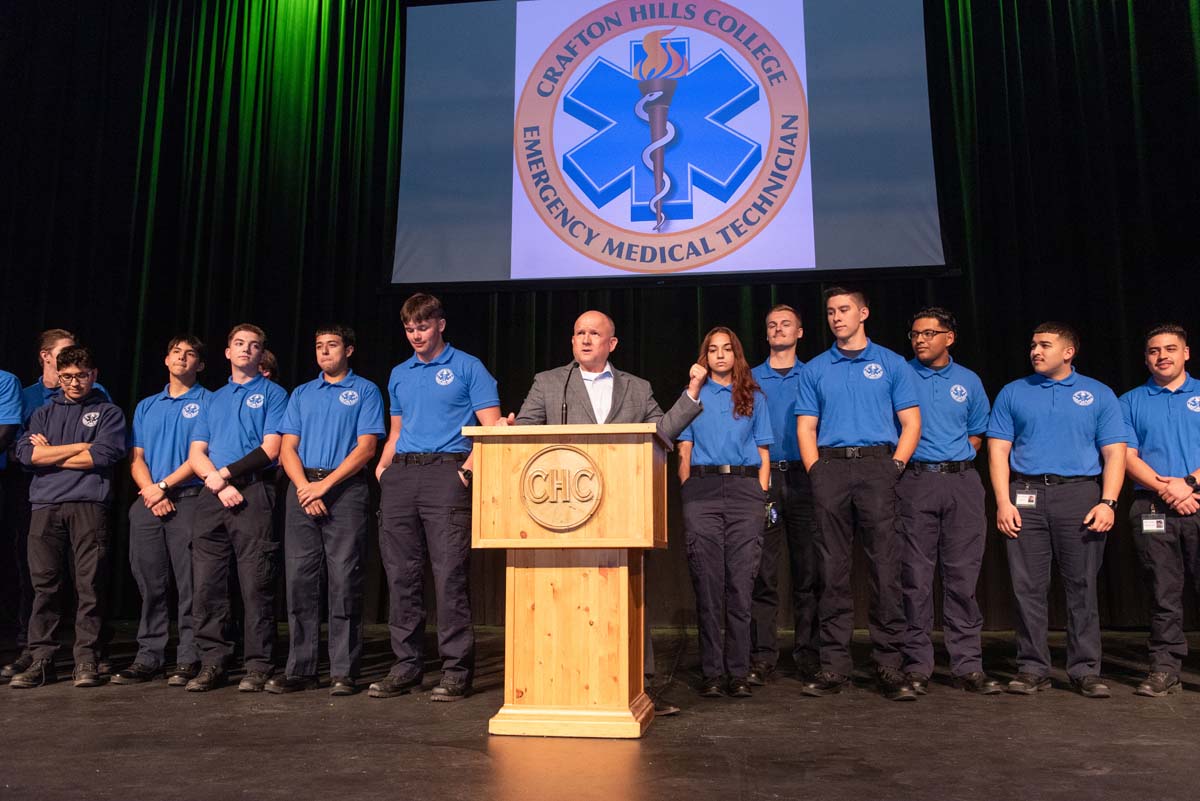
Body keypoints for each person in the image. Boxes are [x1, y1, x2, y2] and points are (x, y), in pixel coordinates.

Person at [504, 309, 706, 712]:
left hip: (621, 510)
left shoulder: (636, 387)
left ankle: (637, 689)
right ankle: (564, 685)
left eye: (594, 333)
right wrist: (511, 431)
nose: (584, 338)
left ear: (611, 344)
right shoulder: (549, 383)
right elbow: (524, 435)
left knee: (628, 595)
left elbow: (661, 434)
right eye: (578, 332)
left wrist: (692, 393)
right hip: (561, 513)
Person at [370, 294, 500, 701]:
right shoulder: (399, 373)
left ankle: (456, 670)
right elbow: (395, 430)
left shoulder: (467, 367)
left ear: (440, 325)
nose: (416, 336)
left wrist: (466, 471)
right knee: (401, 576)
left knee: (448, 577)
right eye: (409, 330)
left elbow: (492, 429)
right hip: (402, 476)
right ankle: (405, 667)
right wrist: (384, 467)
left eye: (423, 328)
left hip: (447, 472)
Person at [796, 287, 921, 701]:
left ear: (863, 312)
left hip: (877, 467)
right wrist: (816, 471)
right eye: (830, 311)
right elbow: (806, 427)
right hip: (830, 467)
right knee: (832, 571)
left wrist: (894, 467)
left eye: (844, 309)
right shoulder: (815, 368)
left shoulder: (891, 363)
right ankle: (834, 666)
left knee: (885, 570)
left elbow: (911, 423)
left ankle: (889, 665)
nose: (836, 317)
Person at [988, 322, 1126, 698]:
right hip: (1026, 494)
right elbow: (998, 449)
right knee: (1027, 588)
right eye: (1032, 344)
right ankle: (1032, 667)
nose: (1035, 351)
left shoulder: (1097, 393)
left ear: (1068, 352)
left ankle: (1084, 670)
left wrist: (1108, 501)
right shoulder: (1013, 392)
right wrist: (1003, 500)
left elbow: (1115, 452)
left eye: (1045, 345)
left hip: (1080, 494)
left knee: (1082, 586)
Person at [268, 325, 383, 696]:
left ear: (348, 350)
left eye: (332, 345)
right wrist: (304, 487)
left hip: (344, 490)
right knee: (300, 579)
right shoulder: (302, 393)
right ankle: (301, 669)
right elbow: (287, 447)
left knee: (344, 580)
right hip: (303, 489)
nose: (324, 352)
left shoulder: (364, 390)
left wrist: (325, 485)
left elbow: (366, 448)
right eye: (319, 346)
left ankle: (342, 670)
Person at [897, 308, 1000, 694]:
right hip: (916, 481)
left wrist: (951, 461)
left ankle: (967, 665)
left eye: (928, 333)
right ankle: (917, 665)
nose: (920, 340)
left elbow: (977, 434)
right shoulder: (900, 375)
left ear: (949, 338)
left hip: (961, 483)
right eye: (915, 334)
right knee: (916, 579)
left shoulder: (968, 380)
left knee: (962, 577)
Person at [11, 346, 126, 688]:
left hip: (89, 504)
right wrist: (78, 446)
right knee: (44, 585)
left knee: (88, 584)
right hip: (45, 506)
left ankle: (86, 659)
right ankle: (42, 658)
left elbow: (104, 454)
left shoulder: (108, 412)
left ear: (94, 375)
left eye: (81, 375)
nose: (74, 383)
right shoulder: (44, 413)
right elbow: (25, 454)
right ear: (58, 377)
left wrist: (50, 455)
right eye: (67, 377)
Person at [185, 324, 288, 692]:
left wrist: (224, 476)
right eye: (239, 344)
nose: (246, 349)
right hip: (212, 498)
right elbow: (197, 452)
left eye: (254, 345)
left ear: (261, 355)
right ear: (227, 352)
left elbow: (271, 449)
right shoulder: (212, 398)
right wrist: (215, 480)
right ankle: (213, 662)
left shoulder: (274, 394)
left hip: (253, 493)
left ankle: (258, 664)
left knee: (256, 583)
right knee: (208, 585)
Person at [677, 327, 771, 698]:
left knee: (740, 585)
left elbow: (764, 450)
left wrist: (761, 490)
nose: (719, 355)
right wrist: (686, 486)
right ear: (704, 356)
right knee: (709, 585)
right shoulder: (694, 396)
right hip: (702, 491)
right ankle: (713, 673)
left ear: (736, 354)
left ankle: (739, 671)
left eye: (726, 349)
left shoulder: (753, 396)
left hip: (744, 489)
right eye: (712, 349)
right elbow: (683, 449)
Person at [115, 336, 211, 687]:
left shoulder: (209, 402)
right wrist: (151, 492)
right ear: (165, 359)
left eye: (190, 354)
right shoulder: (147, 405)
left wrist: (164, 487)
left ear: (199, 365)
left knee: (190, 584)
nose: (181, 358)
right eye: (175, 352)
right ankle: (148, 656)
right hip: (149, 499)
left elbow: (200, 456)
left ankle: (189, 655)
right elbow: (136, 457)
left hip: (189, 498)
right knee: (150, 583)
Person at [1118, 323, 1200, 697]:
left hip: (1197, 498)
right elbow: (1125, 456)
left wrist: (1191, 484)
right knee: (1163, 593)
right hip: (1152, 504)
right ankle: (1165, 668)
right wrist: (1168, 488)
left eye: (1170, 349)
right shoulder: (1130, 401)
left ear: (1186, 353)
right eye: (1154, 350)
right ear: (1146, 358)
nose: (1162, 356)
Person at [747, 304, 822, 685]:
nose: (778, 329)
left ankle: (808, 652)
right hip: (765, 479)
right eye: (772, 324)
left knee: (809, 571)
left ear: (800, 332)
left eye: (786, 324)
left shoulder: (815, 375)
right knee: (764, 572)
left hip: (806, 479)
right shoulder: (750, 378)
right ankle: (762, 654)